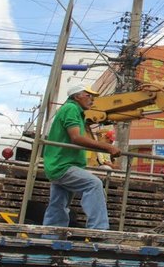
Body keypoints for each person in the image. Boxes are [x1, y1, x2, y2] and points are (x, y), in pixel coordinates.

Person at [43, 84, 121, 230]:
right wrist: (108, 147)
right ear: (77, 96)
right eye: (88, 96)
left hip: (57, 163)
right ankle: (98, 230)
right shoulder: (71, 108)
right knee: (93, 184)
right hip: (63, 164)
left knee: (58, 202)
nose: (92, 100)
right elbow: (76, 138)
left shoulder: (73, 111)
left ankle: (51, 233)